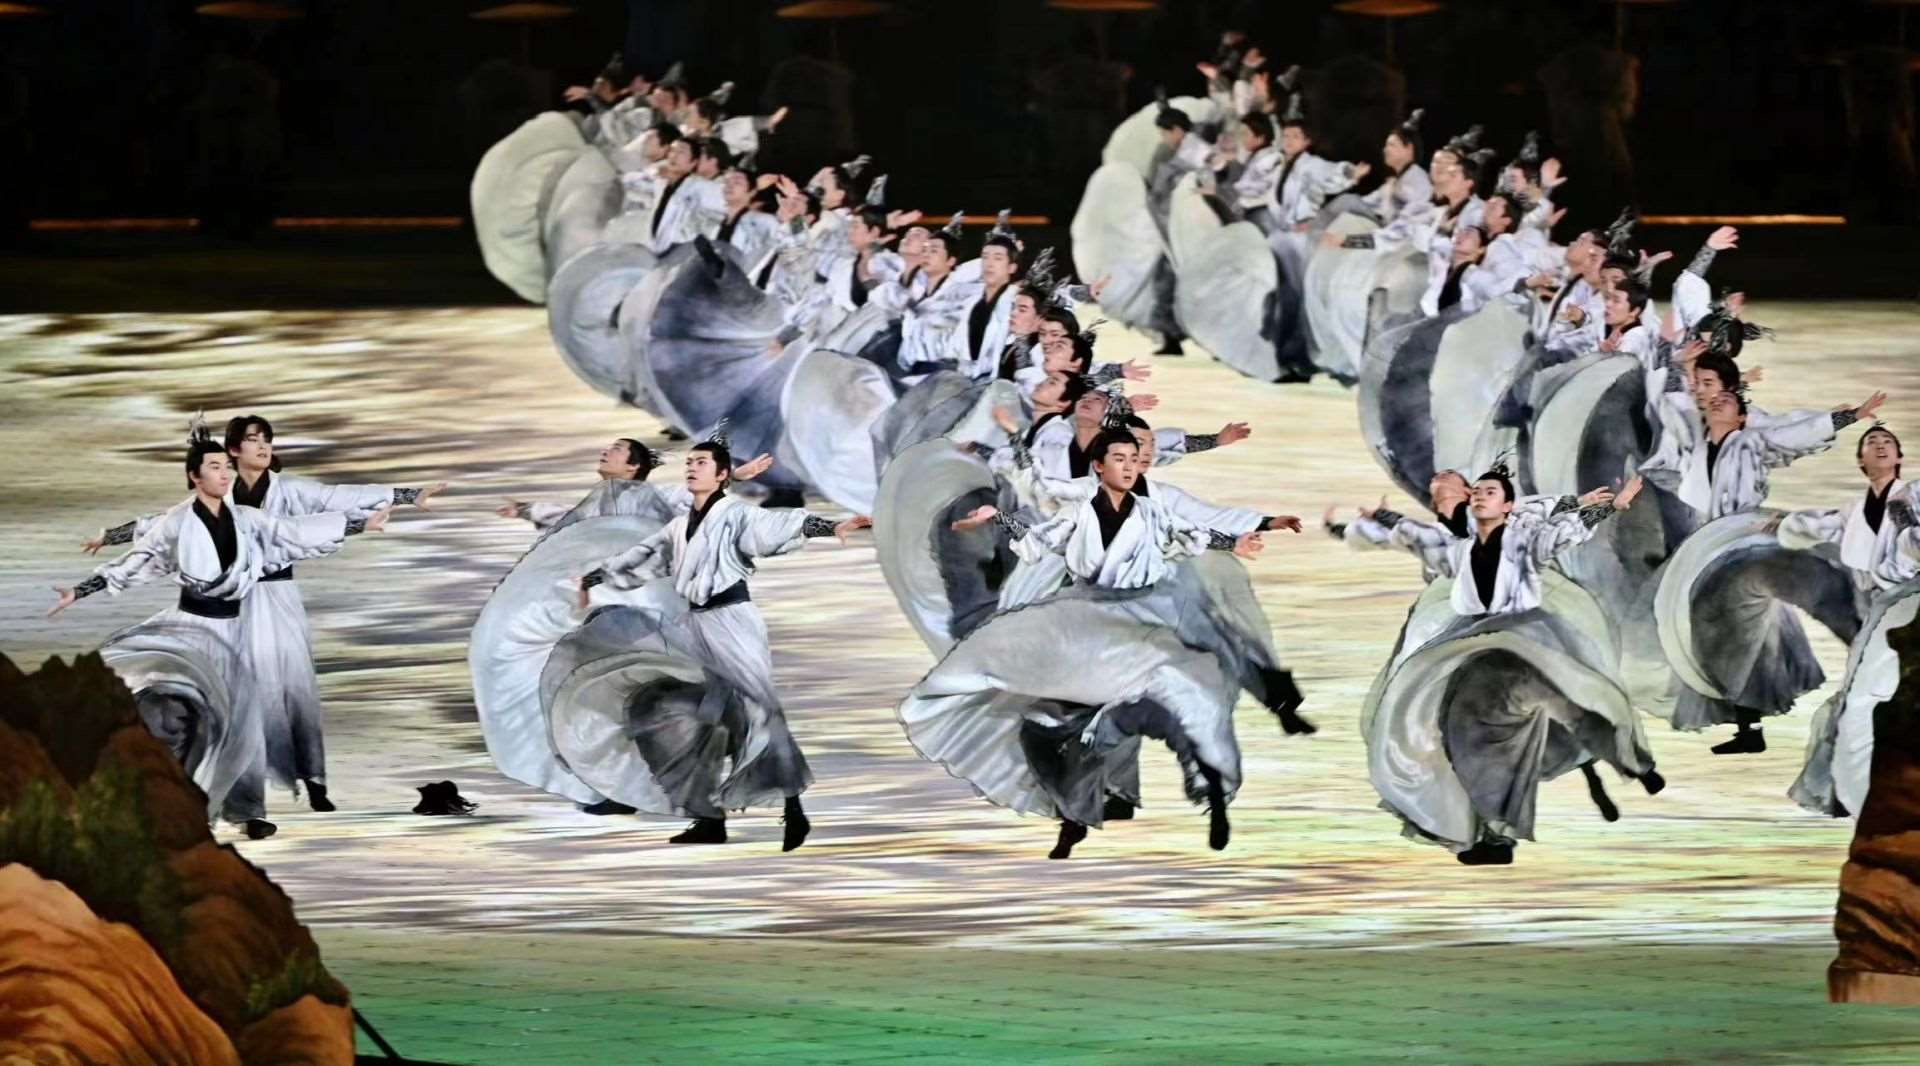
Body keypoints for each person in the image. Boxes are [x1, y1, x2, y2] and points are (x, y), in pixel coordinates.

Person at [914, 429, 1272, 859]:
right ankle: (1075, 812)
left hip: (1141, 624)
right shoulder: (1078, 514)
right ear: (1098, 467)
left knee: (1184, 707)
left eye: (1133, 458)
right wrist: (996, 517)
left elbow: (1190, 533)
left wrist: (1236, 542)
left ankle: (1211, 791)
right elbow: (1040, 539)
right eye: (1118, 458)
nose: (1128, 466)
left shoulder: (1153, 513)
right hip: (1087, 628)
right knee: (1044, 727)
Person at [51, 419, 388, 840]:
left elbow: (293, 533)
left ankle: (247, 812)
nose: (225, 474)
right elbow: (137, 561)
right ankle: (155, 798)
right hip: (193, 629)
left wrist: (361, 525)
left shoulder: (245, 518)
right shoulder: (177, 522)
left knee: (243, 722)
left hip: (234, 628)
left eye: (226, 467)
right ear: (195, 477)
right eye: (215, 467)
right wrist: (80, 590)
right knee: (181, 712)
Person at [558, 432, 870, 848]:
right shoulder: (678, 527)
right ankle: (707, 817)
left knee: (757, 710)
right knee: (671, 708)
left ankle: (793, 810)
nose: (692, 468)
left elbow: (778, 524)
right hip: (694, 625)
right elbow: (640, 558)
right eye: (689, 462)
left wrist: (830, 526)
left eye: (701, 463)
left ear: (723, 475)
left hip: (733, 622)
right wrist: (591, 579)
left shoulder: (735, 514)